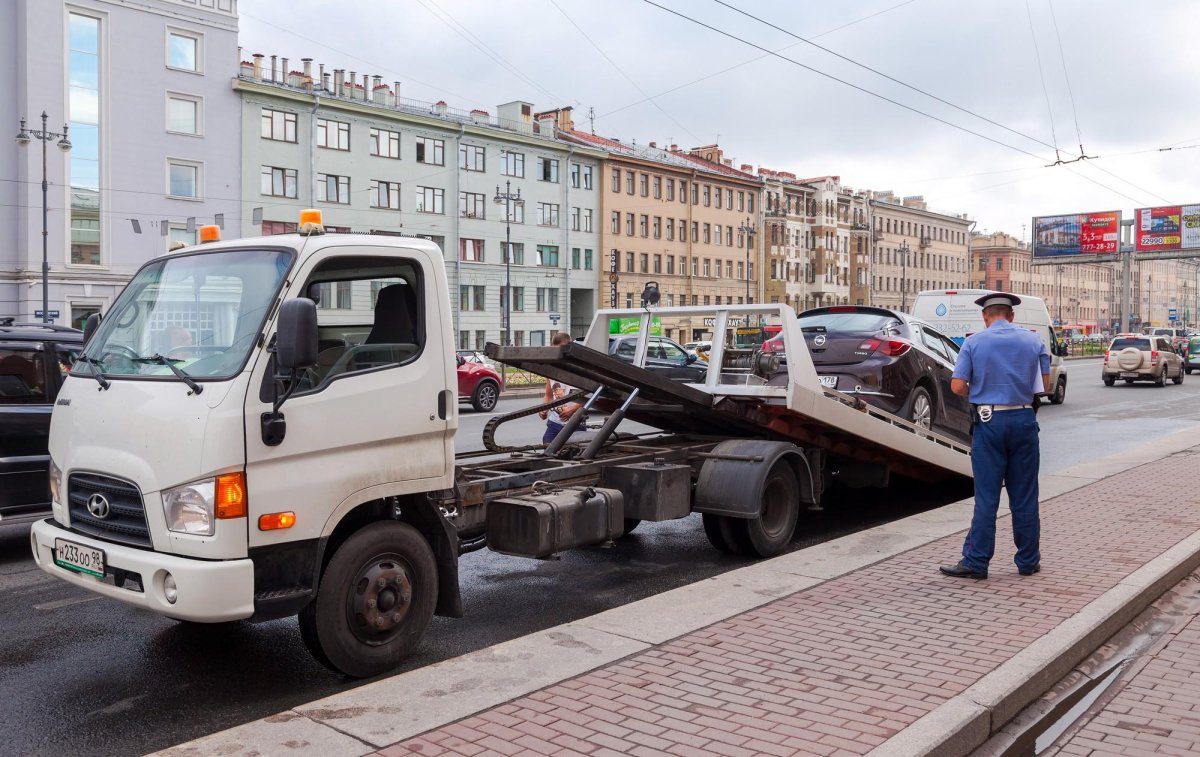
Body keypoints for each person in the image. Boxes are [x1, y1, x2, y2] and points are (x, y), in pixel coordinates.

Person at [940, 292, 1050, 580]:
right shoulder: (1034, 340)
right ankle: (1028, 561)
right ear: (1011, 316)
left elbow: (957, 386)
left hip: (989, 422)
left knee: (987, 497)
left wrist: (980, 388)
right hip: (1024, 419)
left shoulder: (974, 342)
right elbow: (1045, 386)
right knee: (1025, 495)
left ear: (985, 317)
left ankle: (977, 562)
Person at [539, 331, 583, 444]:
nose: (560, 353)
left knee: (573, 454)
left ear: (570, 346)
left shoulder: (579, 368)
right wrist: (544, 409)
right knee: (547, 450)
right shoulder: (552, 369)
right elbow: (548, 395)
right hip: (555, 423)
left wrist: (573, 410)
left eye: (562, 348)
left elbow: (589, 394)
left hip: (575, 423)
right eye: (556, 349)